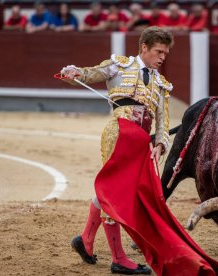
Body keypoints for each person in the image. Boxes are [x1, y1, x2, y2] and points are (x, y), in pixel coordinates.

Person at [60, 26, 173, 275]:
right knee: (116, 191)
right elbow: (92, 74)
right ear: (144, 47)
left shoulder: (161, 84)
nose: (162, 57)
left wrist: (161, 144)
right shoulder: (120, 65)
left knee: (114, 190)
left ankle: (86, 239)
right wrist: (75, 71)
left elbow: (163, 121)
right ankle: (118, 258)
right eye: (158, 51)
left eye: (165, 53)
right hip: (119, 132)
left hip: (142, 141)